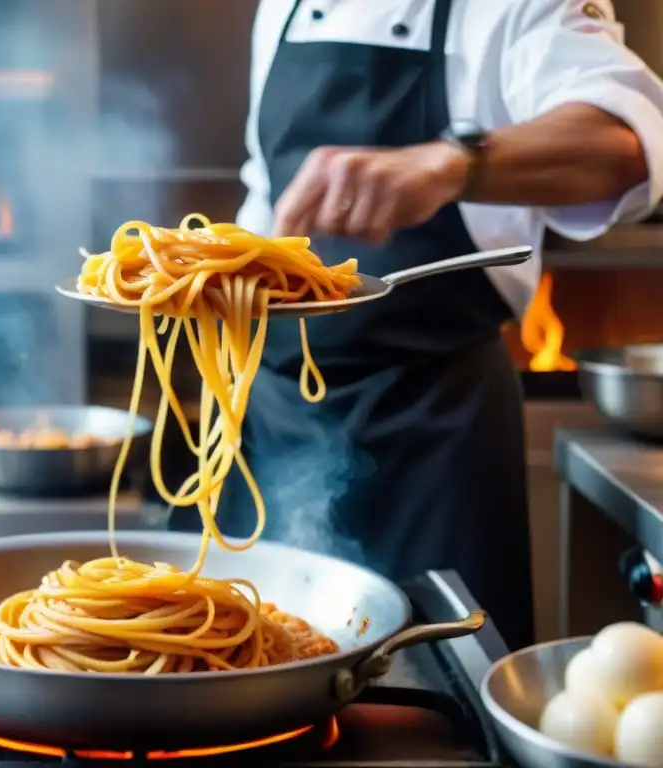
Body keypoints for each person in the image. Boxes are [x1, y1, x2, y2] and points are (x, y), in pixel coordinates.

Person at [169, 0, 663, 651]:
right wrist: (209, 268)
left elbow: (630, 145)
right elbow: (269, 194)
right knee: (234, 669)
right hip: (268, 417)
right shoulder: (283, 6)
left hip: (432, 434)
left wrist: (449, 165)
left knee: (438, 703)